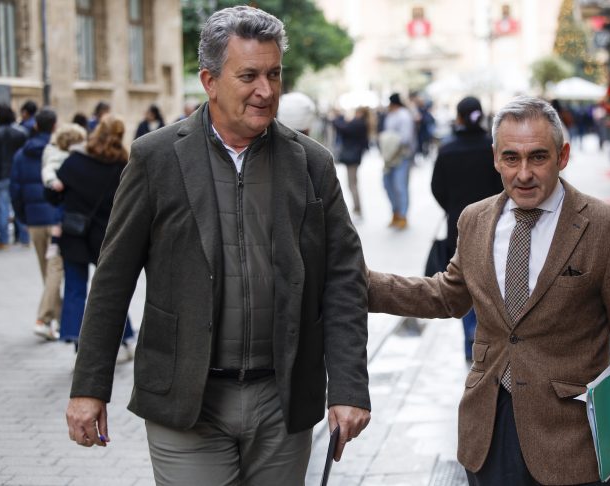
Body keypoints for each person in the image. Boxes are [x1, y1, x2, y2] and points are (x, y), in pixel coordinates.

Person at [65, 6, 371, 486]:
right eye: (249, 76)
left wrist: (349, 386)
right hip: (186, 399)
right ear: (209, 81)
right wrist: (89, 387)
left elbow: (344, 277)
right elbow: (112, 278)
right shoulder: (155, 158)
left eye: (274, 74)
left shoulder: (312, 163)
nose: (266, 90)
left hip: (283, 401)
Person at [367, 96, 610, 485]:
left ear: (563, 156)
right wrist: (360, 284)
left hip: (570, 438)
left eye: (538, 157)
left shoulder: (609, 229)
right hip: (488, 429)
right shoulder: (474, 220)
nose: (523, 173)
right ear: (495, 159)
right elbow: (446, 295)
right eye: (511, 158)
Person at [52, 114, 135, 356]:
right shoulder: (122, 166)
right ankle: (125, 338)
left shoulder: (75, 160)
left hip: (74, 233)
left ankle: (78, 340)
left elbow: (53, 195)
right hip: (106, 235)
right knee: (110, 290)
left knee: (75, 288)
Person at [430, 96, 503, 362]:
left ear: (459, 118)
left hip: (458, 226)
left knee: (465, 283)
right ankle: (490, 340)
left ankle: (471, 340)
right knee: (492, 283)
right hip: (495, 224)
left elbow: (437, 188)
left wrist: (453, 207)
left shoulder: (447, 150)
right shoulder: (492, 148)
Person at [9, 108, 63, 340]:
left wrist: (23, 217)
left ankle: (54, 321)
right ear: (54, 126)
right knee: (55, 270)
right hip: (56, 218)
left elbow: (15, 190)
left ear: (35, 126)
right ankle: (45, 319)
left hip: (34, 220)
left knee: (47, 270)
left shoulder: (21, 155)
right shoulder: (58, 152)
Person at [41, 122, 88, 259]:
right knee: (59, 218)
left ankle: (55, 242)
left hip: (64, 196)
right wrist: (52, 181)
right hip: (63, 194)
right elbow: (48, 170)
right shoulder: (58, 156)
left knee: (60, 217)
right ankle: (54, 243)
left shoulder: (60, 154)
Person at [0, 103, 29, 249]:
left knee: (2, 207)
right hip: (18, 172)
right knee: (19, 204)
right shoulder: (21, 132)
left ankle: (4, 239)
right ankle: (24, 237)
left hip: (0, 174)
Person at [379, 93, 415, 229]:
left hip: (402, 156)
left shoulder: (404, 116)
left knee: (400, 186)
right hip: (390, 157)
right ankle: (396, 213)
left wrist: (389, 140)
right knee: (387, 185)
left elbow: (405, 138)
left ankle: (403, 216)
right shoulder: (391, 115)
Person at [332, 106, 370, 217]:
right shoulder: (361, 123)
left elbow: (343, 128)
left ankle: (357, 208)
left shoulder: (358, 123)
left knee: (352, 184)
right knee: (352, 183)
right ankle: (356, 207)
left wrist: (335, 119)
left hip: (353, 156)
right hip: (354, 156)